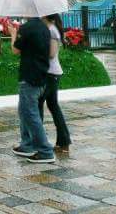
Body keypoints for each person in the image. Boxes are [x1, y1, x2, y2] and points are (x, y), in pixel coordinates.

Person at [8, 15, 55, 163]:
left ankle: (45, 150)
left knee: (29, 113)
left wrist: (13, 34)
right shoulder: (44, 28)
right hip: (42, 74)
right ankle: (27, 144)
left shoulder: (27, 28)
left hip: (29, 76)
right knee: (25, 111)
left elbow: (15, 50)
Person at [39, 14, 71, 153]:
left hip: (50, 73)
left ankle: (40, 141)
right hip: (53, 73)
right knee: (53, 106)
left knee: (38, 103)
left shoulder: (51, 29)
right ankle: (63, 142)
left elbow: (51, 53)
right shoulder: (51, 28)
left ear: (46, 15)